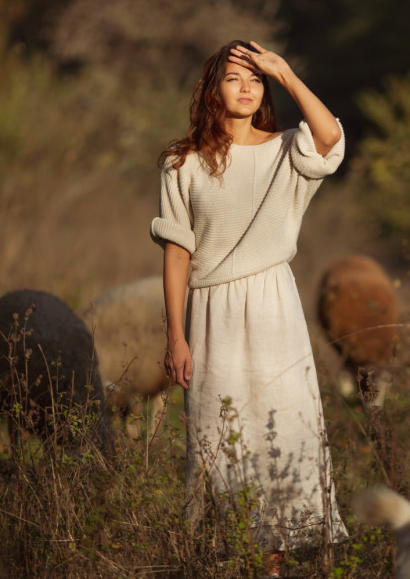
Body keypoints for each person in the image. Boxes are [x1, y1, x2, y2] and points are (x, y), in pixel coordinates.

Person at [150, 40, 348, 575]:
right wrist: (176, 337)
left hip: (273, 310)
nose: (246, 87)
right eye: (234, 78)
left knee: (281, 434)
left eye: (255, 80)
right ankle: (227, 558)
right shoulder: (182, 161)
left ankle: (273, 567)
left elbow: (331, 138)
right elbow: (177, 253)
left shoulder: (289, 147)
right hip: (210, 313)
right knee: (219, 439)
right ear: (212, 88)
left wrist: (284, 70)